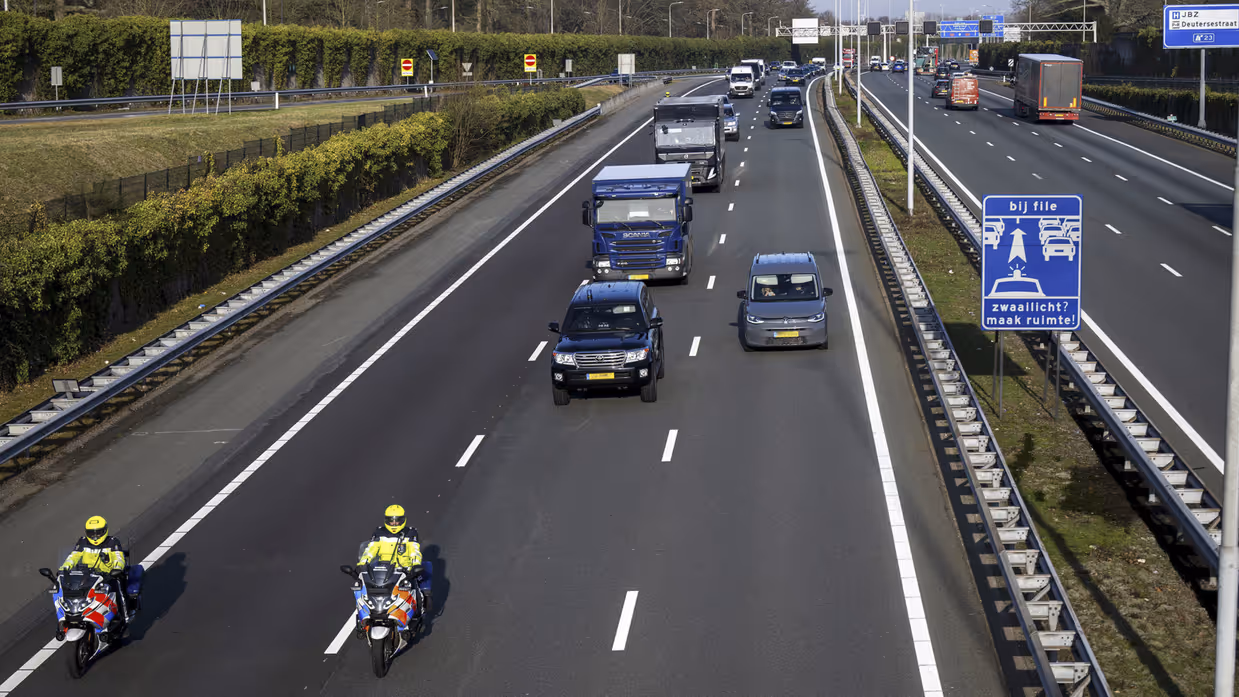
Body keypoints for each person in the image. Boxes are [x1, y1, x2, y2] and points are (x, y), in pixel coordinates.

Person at [358, 505, 430, 617]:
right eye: (391, 521)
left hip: (405, 570)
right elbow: (371, 550)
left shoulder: (411, 533)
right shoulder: (379, 532)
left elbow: (414, 551)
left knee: (417, 588)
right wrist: (363, 563)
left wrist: (415, 564)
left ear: (403, 520)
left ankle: (418, 613)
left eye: (397, 521)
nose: (394, 524)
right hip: (383, 570)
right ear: (386, 520)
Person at [60, 516, 130, 621]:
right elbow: (73, 557)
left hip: (108, 576)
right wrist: (64, 568)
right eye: (91, 533)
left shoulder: (112, 542)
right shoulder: (82, 541)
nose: (95, 537)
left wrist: (117, 568)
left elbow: (119, 558)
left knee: (118, 590)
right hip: (87, 576)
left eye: (98, 533)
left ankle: (124, 615)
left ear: (105, 531)